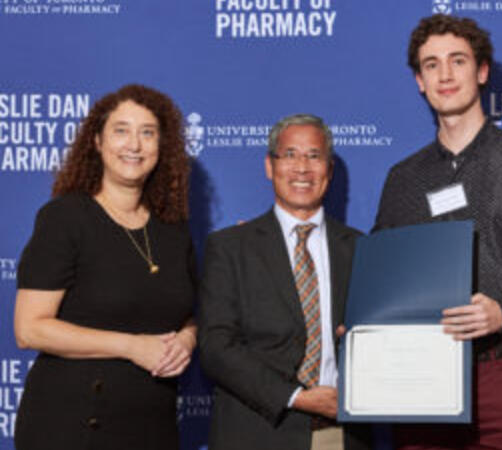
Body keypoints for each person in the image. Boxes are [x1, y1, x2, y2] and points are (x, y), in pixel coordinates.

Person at [373, 15, 502, 450]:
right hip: (419, 382)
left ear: (482, 71)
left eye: (458, 60)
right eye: (431, 65)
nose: (445, 74)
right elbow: (382, 279)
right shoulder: (402, 179)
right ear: (419, 80)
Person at [13, 84, 197, 450]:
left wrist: (188, 339)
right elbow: (29, 329)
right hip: (71, 424)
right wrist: (132, 347)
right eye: (121, 130)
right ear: (97, 141)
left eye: (147, 133)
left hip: (152, 423)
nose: (134, 144)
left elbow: (188, 313)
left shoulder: (172, 229)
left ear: (162, 147)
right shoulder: (64, 218)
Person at [197, 114, 371, 450]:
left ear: (329, 169)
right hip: (256, 432)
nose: (302, 168)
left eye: (314, 156)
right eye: (290, 154)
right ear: (269, 165)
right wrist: (295, 397)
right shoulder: (231, 247)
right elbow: (216, 348)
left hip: (338, 434)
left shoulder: (362, 248)